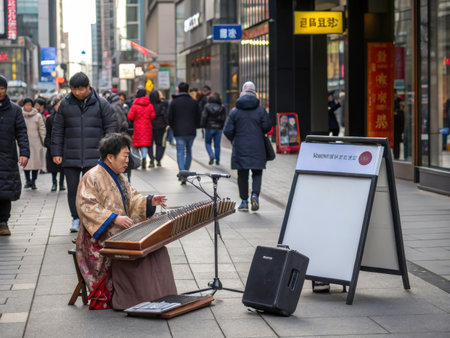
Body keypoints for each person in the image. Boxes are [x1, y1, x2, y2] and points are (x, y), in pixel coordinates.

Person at [76, 133, 176, 310]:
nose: (127, 160)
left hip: (122, 232)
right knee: (139, 253)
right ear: (110, 157)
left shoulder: (120, 177)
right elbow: (87, 206)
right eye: (125, 155)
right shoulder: (91, 177)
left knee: (156, 248)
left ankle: (158, 295)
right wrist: (114, 218)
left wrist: (149, 201)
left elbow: (132, 199)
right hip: (99, 238)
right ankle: (134, 298)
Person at [51, 72, 117, 233]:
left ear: (89, 86)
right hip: (70, 156)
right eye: (74, 89)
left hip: (95, 157)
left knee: (93, 192)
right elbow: (57, 129)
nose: (78, 93)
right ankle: (76, 218)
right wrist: (56, 152)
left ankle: (92, 219)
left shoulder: (102, 104)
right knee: (73, 190)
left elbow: (111, 129)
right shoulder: (65, 105)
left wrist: (108, 153)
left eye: (81, 89)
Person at [223, 81, 272, 212]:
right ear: (255, 94)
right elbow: (268, 127)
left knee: (242, 174)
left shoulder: (235, 111)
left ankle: (244, 201)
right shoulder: (261, 110)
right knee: (257, 172)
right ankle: (255, 194)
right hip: (258, 147)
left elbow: (227, 130)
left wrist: (234, 139)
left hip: (240, 147)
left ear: (242, 93)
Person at [0, 75, 30, 236]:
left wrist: (24, 153)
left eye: (2, 88)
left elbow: (22, 133)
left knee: (5, 191)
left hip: (7, 155)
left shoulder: (14, 110)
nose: (0, 91)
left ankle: (3, 221)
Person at [168, 82, 200, 184]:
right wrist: (196, 126)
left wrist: (173, 127)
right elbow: (198, 116)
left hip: (179, 131)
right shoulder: (194, 102)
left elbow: (170, 117)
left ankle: (182, 172)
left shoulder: (174, 102)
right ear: (188, 90)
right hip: (191, 131)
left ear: (178, 90)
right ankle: (186, 172)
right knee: (188, 151)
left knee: (180, 151)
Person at [127, 89, 156, 169]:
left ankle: (138, 160)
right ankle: (144, 157)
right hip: (147, 127)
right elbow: (153, 116)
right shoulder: (150, 105)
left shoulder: (135, 105)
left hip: (138, 127)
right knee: (145, 144)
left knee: (136, 145)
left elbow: (130, 116)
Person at [22, 98, 46, 189]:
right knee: (25, 163)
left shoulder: (38, 116)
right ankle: (27, 181)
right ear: (23, 105)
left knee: (36, 163)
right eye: (26, 105)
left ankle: (34, 181)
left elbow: (42, 129)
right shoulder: (20, 115)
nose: (28, 107)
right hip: (24, 142)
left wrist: (44, 140)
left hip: (36, 142)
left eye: (29, 105)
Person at [45, 94, 66, 192]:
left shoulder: (66, 117)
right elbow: (47, 134)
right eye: (57, 104)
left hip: (64, 146)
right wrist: (49, 144)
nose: (59, 106)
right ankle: (54, 183)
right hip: (53, 145)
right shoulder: (50, 118)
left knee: (63, 168)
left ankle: (61, 183)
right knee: (53, 167)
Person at [200, 92, 226, 165]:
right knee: (217, 145)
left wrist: (202, 125)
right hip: (219, 128)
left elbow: (204, 117)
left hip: (209, 127)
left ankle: (211, 155)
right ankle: (217, 160)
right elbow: (224, 118)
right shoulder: (222, 107)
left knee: (208, 143)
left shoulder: (207, 106)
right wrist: (222, 126)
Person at [149, 90, 169, 167]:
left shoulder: (149, 105)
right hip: (161, 126)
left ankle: (151, 159)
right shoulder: (163, 104)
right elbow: (165, 114)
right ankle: (158, 159)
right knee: (160, 143)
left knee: (150, 144)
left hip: (150, 126)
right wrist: (167, 124)